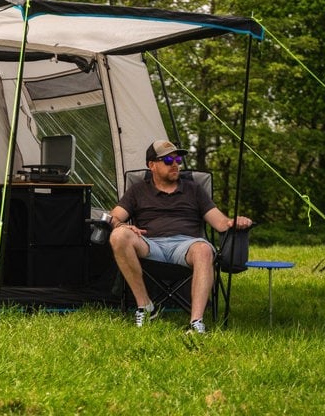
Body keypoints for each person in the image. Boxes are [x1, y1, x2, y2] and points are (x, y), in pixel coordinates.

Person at [108, 140, 253, 333]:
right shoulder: (138, 190)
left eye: (178, 159)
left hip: (186, 246)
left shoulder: (194, 190)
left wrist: (236, 221)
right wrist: (122, 226)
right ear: (152, 165)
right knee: (118, 236)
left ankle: (196, 322)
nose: (175, 163)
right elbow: (114, 216)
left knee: (203, 249)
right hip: (151, 245)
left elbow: (221, 223)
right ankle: (145, 306)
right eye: (168, 159)